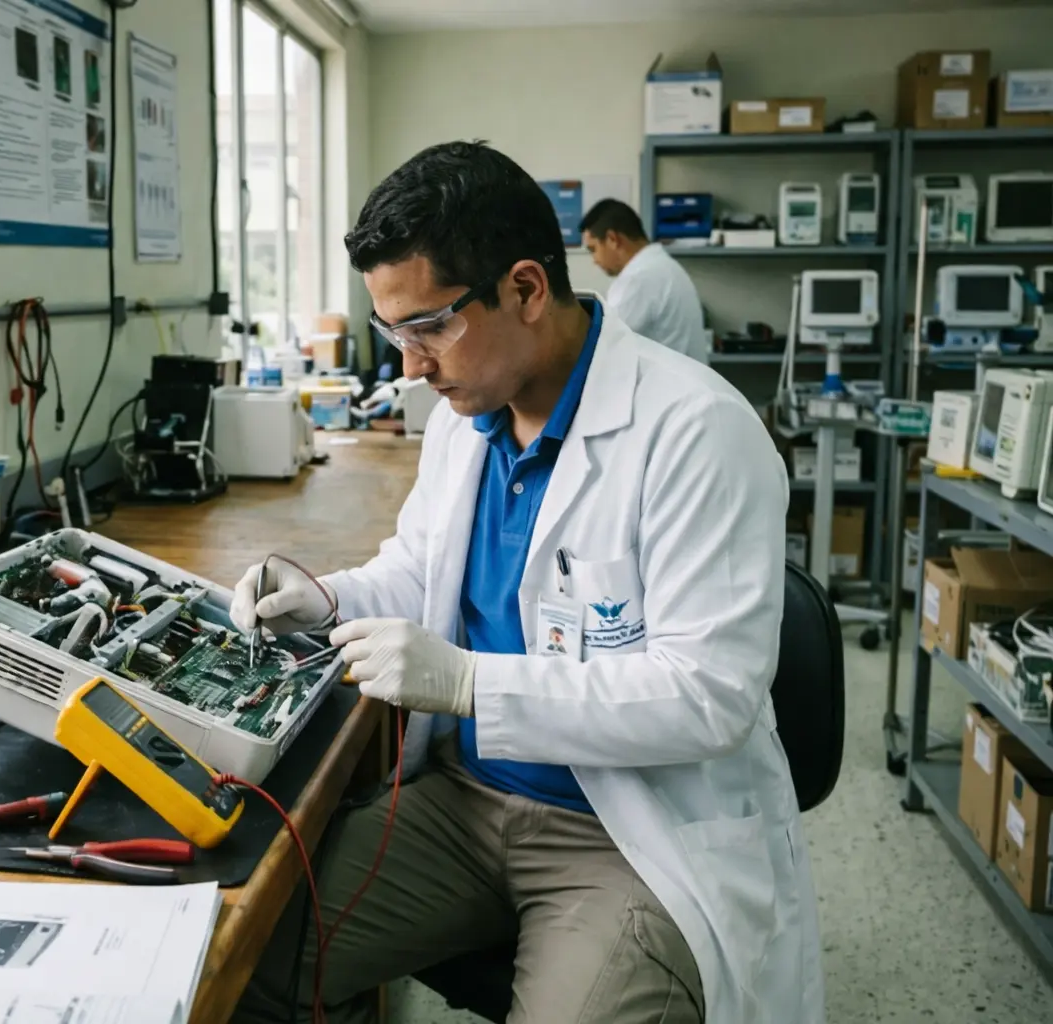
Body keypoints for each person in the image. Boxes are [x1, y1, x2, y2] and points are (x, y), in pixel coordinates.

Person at [229, 141, 820, 1024]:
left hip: (625, 829)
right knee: (245, 956)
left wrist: (469, 681)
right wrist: (328, 598)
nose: (410, 367)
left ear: (527, 290)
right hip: (466, 806)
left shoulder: (696, 432)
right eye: (396, 333)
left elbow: (709, 695)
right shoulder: (464, 423)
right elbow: (421, 574)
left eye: (428, 327)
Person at [581, 198, 709, 363]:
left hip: (669, 385)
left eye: (594, 249)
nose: (595, 260)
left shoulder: (639, 278)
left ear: (613, 239)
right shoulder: (662, 266)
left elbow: (601, 345)